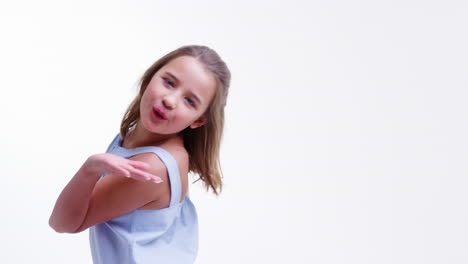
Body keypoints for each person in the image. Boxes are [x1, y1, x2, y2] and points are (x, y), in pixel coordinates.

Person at [49, 45, 231, 263]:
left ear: (198, 120)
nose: (170, 100)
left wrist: (90, 169)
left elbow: (63, 223)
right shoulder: (137, 136)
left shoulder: (153, 167)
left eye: (189, 101)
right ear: (149, 78)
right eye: (169, 82)